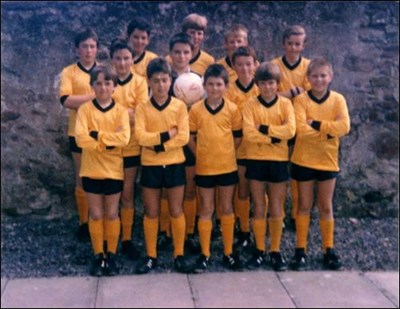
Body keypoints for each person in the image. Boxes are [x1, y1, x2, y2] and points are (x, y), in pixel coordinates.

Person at [290, 57, 350, 271]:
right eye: (314, 76)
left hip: (327, 160)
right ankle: (300, 250)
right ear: (308, 78)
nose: (319, 80)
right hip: (303, 159)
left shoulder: (338, 100)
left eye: (323, 75)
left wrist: (315, 124)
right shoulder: (301, 101)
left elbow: (343, 127)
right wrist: (327, 132)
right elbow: (300, 130)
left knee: (325, 206)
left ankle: (328, 249)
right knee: (304, 206)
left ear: (330, 77)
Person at [134, 57, 192, 274]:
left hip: (175, 164)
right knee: (152, 211)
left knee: (176, 209)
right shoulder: (142, 108)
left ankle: (179, 254)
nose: (160, 85)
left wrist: (159, 146)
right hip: (150, 165)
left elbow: (184, 137)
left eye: (165, 80)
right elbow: (140, 136)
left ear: (171, 81)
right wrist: (167, 135)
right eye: (156, 80)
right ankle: (151, 256)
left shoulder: (179, 106)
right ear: (148, 81)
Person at [75, 64, 130, 276]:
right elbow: (81, 139)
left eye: (107, 83)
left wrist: (96, 135)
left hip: (114, 171)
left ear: (114, 86)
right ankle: (99, 255)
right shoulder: (85, 110)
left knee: (112, 213)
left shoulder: (120, 111)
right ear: (92, 86)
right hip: (90, 170)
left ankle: (112, 254)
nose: (103, 87)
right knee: (96, 215)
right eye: (98, 83)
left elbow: (124, 139)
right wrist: (108, 141)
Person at [189, 64, 243, 272]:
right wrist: (200, 154)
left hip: (227, 167)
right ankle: (205, 254)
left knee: (226, 208)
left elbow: (237, 138)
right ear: (203, 86)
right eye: (210, 84)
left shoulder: (232, 109)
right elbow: (190, 138)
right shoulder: (195, 110)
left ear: (226, 86)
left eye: (218, 84)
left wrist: (227, 153)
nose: (214, 88)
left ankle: (228, 253)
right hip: (204, 168)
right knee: (206, 209)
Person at [242, 62, 295, 271]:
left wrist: (263, 130)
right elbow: (248, 133)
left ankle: (275, 251)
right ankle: (259, 250)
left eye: (271, 83)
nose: (268, 87)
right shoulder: (250, 105)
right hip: (255, 160)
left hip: (278, 161)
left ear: (277, 84)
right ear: (257, 84)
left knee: (276, 207)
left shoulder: (285, 105)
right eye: (263, 83)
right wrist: (274, 137)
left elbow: (290, 131)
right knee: (259, 207)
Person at [110, 39, 148, 260]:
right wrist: (126, 114)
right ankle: (109, 238)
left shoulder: (140, 83)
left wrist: (114, 115)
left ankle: (126, 239)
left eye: (126, 58)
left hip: (131, 147)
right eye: (118, 58)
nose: (122, 63)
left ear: (132, 60)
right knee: (109, 194)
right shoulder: (106, 80)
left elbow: (141, 113)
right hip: (108, 148)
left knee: (127, 193)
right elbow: (100, 109)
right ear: (112, 60)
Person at [59, 28, 98, 241]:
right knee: (81, 177)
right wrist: (95, 97)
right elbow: (66, 100)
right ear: (77, 50)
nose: (88, 50)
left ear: (97, 49)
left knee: (102, 176)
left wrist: (82, 99)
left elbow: (113, 102)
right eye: (84, 46)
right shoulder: (69, 72)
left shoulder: (103, 72)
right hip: (77, 132)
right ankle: (83, 222)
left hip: (102, 133)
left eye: (92, 46)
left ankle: (100, 219)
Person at [271, 25, 311, 230]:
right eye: (290, 44)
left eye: (298, 44)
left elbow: (310, 93)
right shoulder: (274, 66)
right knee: (276, 171)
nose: (294, 48)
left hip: (302, 125)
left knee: (297, 171)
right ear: (283, 44)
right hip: (279, 124)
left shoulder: (309, 66)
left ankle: (297, 214)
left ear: (303, 45)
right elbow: (270, 94)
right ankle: (277, 215)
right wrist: (294, 91)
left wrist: (285, 93)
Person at [224, 46, 260, 251]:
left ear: (256, 64)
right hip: (239, 148)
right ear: (234, 66)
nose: (245, 68)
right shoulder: (228, 91)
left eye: (249, 63)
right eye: (240, 64)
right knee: (243, 191)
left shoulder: (262, 87)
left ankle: (260, 231)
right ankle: (244, 231)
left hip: (261, 149)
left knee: (260, 193)